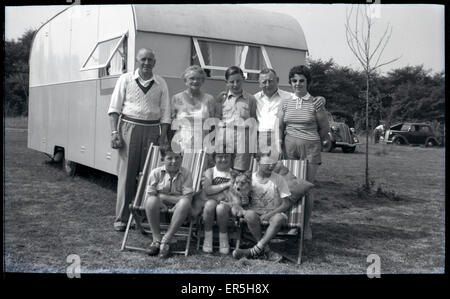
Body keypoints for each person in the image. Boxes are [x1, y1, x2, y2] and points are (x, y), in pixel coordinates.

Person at [108, 48, 171, 232]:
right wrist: (114, 133)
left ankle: (141, 216)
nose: (146, 63)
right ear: (137, 60)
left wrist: (163, 136)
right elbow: (114, 109)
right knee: (127, 174)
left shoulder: (161, 83)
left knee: (149, 176)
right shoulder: (126, 79)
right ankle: (122, 218)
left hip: (153, 129)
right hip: (129, 127)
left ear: (155, 62)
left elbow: (166, 113)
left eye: (150, 59)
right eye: (143, 59)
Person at [277, 65, 330, 240]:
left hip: (310, 148)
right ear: (290, 82)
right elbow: (280, 126)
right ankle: (291, 223)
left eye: (301, 80)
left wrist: (311, 140)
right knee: (289, 187)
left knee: (306, 187)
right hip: (289, 147)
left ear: (307, 82)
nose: (298, 84)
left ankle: (306, 226)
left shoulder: (316, 102)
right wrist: (280, 144)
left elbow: (324, 128)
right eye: (294, 81)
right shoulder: (285, 102)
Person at [232, 152, 292, 262]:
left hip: (273, 213)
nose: (271, 166)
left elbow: (286, 204)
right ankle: (265, 250)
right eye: (267, 163)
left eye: (273, 163)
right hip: (254, 213)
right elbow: (243, 203)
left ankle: (253, 251)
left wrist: (269, 214)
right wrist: (244, 200)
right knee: (249, 214)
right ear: (258, 161)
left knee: (279, 219)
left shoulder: (279, 179)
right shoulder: (250, 179)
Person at [144, 148, 194, 258]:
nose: (174, 161)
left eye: (177, 158)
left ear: (181, 158)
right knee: (151, 200)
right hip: (160, 205)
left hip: (180, 207)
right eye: (169, 158)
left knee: (185, 202)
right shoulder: (156, 173)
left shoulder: (186, 174)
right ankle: (156, 239)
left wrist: (162, 196)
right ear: (162, 159)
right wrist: (159, 200)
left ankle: (166, 240)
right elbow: (150, 194)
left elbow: (188, 197)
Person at [214, 66, 257, 171]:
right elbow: (216, 119)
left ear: (243, 79)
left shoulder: (251, 99)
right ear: (226, 82)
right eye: (232, 82)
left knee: (239, 174)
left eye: (238, 81)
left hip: (243, 144)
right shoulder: (221, 99)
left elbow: (254, 121)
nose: (235, 84)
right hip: (224, 142)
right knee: (223, 173)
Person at [170, 65, 215, 153]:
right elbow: (171, 124)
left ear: (203, 81)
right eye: (192, 78)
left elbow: (213, 126)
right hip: (181, 144)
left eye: (198, 78)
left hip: (202, 144)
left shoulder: (209, 99)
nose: (195, 81)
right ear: (185, 80)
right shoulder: (176, 98)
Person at [199, 152, 234, 254]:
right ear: (214, 158)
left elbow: (233, 193)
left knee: (221, 208)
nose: (223, 159)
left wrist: (215, 191)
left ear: (231, 158)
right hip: (211, 201)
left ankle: (223, 238)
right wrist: (227, 184)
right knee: (210, 205)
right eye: (220, 156)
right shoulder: (210, 171)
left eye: (226, 156)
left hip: (227, 204)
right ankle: (207, 238)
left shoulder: (234, 173)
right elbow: (207, 190)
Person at [253, 68, 292, 157]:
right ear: (259, 83)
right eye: (264, 82)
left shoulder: (289, 97)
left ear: (277, 80)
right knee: (262, 168)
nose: (267, 85)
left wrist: (321, 99)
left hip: (281, 138)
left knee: (280, 168)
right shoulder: (254, 99)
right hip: (261, 139)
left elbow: (304, 98)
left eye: (270, 81)